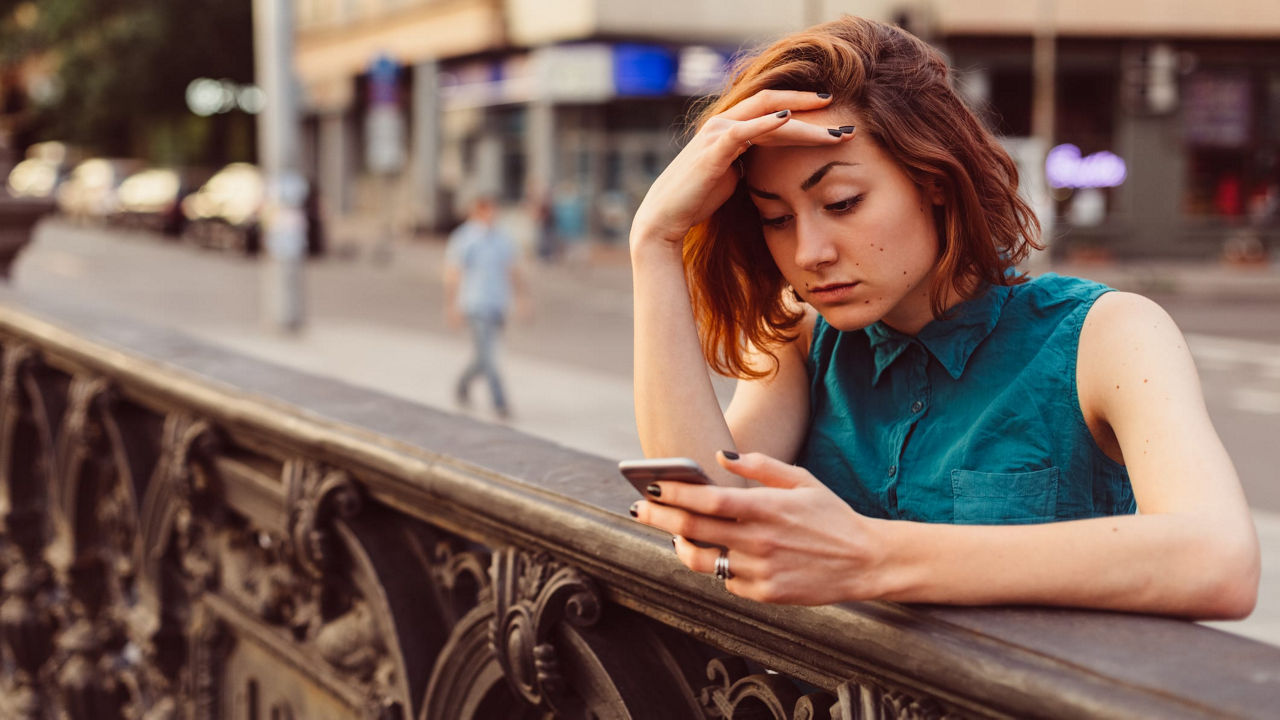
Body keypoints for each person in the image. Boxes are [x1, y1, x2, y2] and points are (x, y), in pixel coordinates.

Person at [627, 16, 1259, 618]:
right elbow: (711, 521)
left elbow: (1219, 561)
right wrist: (654, 241)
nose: (809, 253)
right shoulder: (802, 337)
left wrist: (871, 556)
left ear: (933, 177)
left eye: (841, 202)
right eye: (777, 218)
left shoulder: (1108, 336)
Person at [444, 194, 526, 419]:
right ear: (478, 212)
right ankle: (501, 403)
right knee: (489, 357)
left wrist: (521, 299)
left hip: (497, 303)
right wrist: (451, 306)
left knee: (482, 357)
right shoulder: (465, 238)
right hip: (474, 303)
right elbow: (453, 273)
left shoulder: (503, 239)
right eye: (488, 211)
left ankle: (462, 384)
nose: (493, 215)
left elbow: (513, 270)